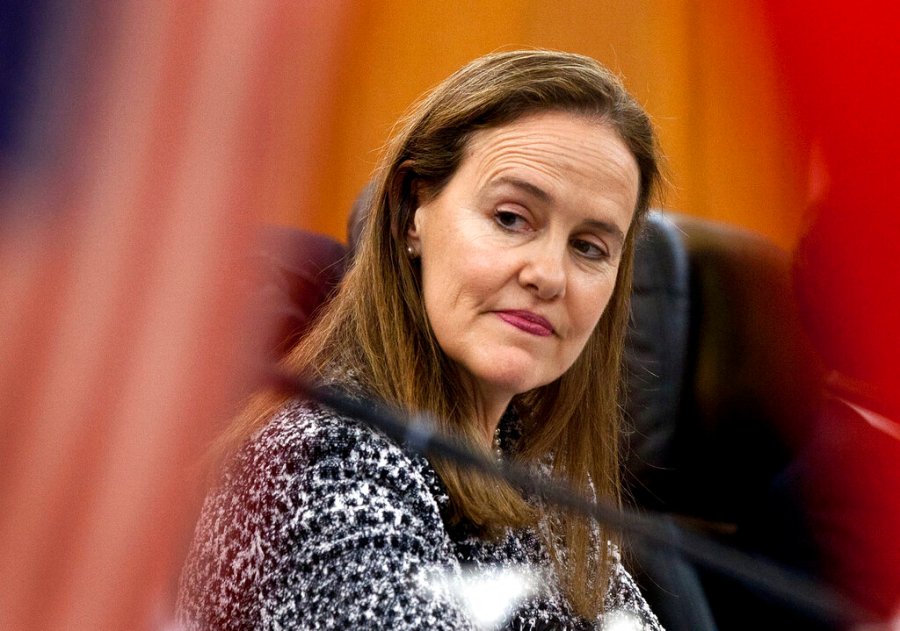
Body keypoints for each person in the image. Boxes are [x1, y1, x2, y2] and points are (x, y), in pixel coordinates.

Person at [177, 49, 664, 630]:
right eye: (512, 218)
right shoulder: (324, 459)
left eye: (589, 247)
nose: (549, 275)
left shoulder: (533, 461)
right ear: (413, 214)